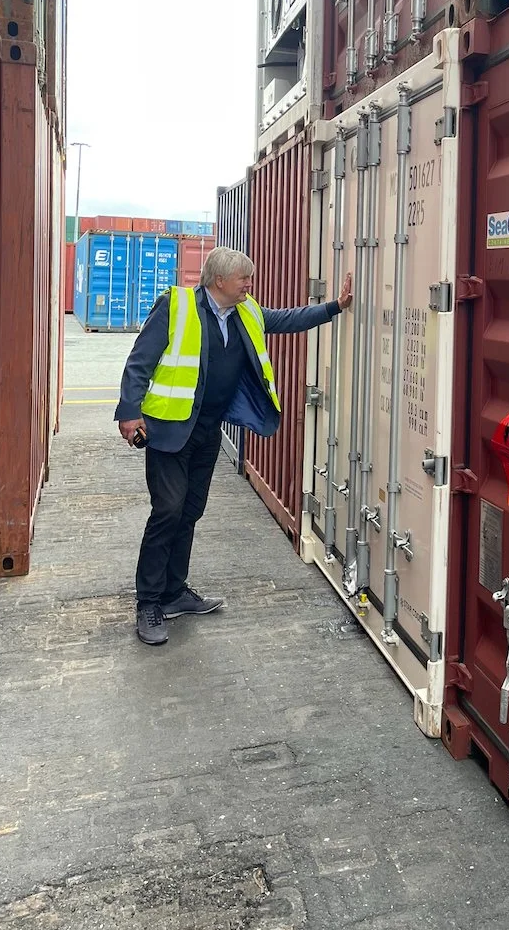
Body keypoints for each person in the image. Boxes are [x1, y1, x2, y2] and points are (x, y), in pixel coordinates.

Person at [114, 246, 352, 646]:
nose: (249, 285)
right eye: (244, 278)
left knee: (190, 511)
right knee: (168, 511)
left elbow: (286, 319)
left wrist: (334, 307)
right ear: (220, 280)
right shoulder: (177, 306)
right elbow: (140, 362)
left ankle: (174, 593)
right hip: (170, 430)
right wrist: (129, 412)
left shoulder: (246, 311)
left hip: (207, 432)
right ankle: (149, 602)